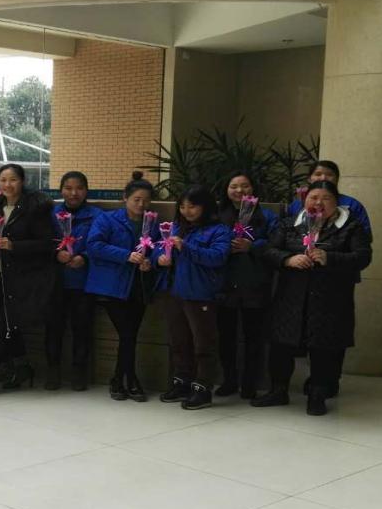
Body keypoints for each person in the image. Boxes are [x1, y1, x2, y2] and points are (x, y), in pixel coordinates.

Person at [254, 180, 372, 415]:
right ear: (304, 200)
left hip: (330, 300)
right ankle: (278, 390)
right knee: (281, 346)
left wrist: (330, 258)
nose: (318, 203)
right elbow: (268, 250)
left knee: (323, 349)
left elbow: (363, 257)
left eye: (325, 198)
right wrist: (288, 259)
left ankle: (317, 396)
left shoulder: (351, 227)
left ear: (336, 202)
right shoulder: (290, 224)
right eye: (313, 198)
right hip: (290, 298)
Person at [0, 163, 55, 400]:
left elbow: (47, 243)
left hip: (23, 279)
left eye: (13, 180)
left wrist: (15, 246)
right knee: (5, 324)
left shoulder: (35, 208)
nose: (8, 184)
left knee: (4, 326)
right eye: (3, 180)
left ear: (22, 181)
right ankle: (23, 365)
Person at [154, 185, 231, 409]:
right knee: (178, 341)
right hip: (174, 292)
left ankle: (203, 388)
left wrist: (185, 247)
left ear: (205, 207)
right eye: (183, 206)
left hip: (201, 294)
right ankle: (182, 382)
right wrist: (160, 257)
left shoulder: (219, 230)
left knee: (203, 343)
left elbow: (217, 257)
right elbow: (158, 247)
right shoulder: (176, 227)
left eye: (192, 206)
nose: (187, 211)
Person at [85, 172, 159, 401]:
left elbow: (157, 248)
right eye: (136, 199)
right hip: (112, 285)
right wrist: (126, 255)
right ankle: (129, 380)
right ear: (125, 198)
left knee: (131, 334)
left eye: (146, 200)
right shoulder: (107, 219)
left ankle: (119, 380)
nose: (141, 204)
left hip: (138, 285)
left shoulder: (151, 222)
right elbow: (94, 245)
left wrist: (150, 261)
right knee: (127, 334)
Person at [215, 170, 279, 400]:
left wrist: (252, 246)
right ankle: (229, 380)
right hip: (224, 283)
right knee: (226, 336)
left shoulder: (267, 215)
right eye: (234, 186)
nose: (239, 190)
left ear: (253, 189)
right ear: (226, 190)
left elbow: (276, 243)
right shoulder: (216, 214)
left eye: (245, 186)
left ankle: (250, 382)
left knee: (254, 337)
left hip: (255, 283)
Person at [45, 171, 102, 391]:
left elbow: (101, 242)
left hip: (83, 281)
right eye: (68, 188)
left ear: (86, 191)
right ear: (61, 190)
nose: (73, 193)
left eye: (79, 188)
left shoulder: (97, 216)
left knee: (82, 329)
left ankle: (79, 372)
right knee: (53, 328)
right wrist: (55, 253)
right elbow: (41, 241)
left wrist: (84, 257)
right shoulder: (50, 213)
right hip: (55, 281)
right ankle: (52, 371)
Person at [287, 160, 371, 232]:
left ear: (337, 179)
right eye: (318, 174)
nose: (323, 178)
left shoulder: (352, 204)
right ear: (309, 179)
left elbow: (364, 235)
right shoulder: (297, 205)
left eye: (329, 174)